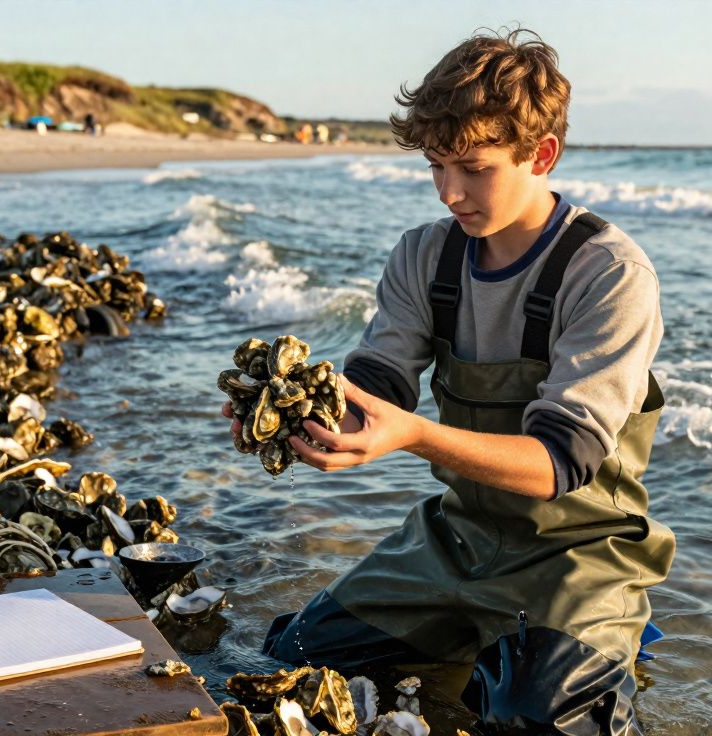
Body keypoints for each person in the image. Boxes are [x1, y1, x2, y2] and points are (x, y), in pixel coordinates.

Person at [225, 28, 676, 735]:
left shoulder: (609, 274)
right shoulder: (426, 256)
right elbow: (376, 389)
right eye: (436, 165)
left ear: (542, 153)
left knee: (533, 721)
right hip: (457, 539)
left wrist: (410, 437)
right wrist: (292, 418)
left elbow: (560, 460)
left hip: (579, 554)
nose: (450, 192)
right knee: (296, 660)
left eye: (472, 166)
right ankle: (479, 660)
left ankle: (590, 662)